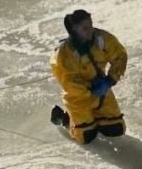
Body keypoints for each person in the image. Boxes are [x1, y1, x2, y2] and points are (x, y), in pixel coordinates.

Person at [50, 9, 128, 144]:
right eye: (85, 28)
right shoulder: (64, 54)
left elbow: (120, 56)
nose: (91, 30)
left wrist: (110, 79)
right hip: (78, 97)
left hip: (103, 91)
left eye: (90, 25)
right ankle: (64, 118)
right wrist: (90, 88)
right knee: (86, 135)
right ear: (74, 30)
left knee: (116, 129)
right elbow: (68, 82)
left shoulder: (101, 38)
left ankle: (96, 118)